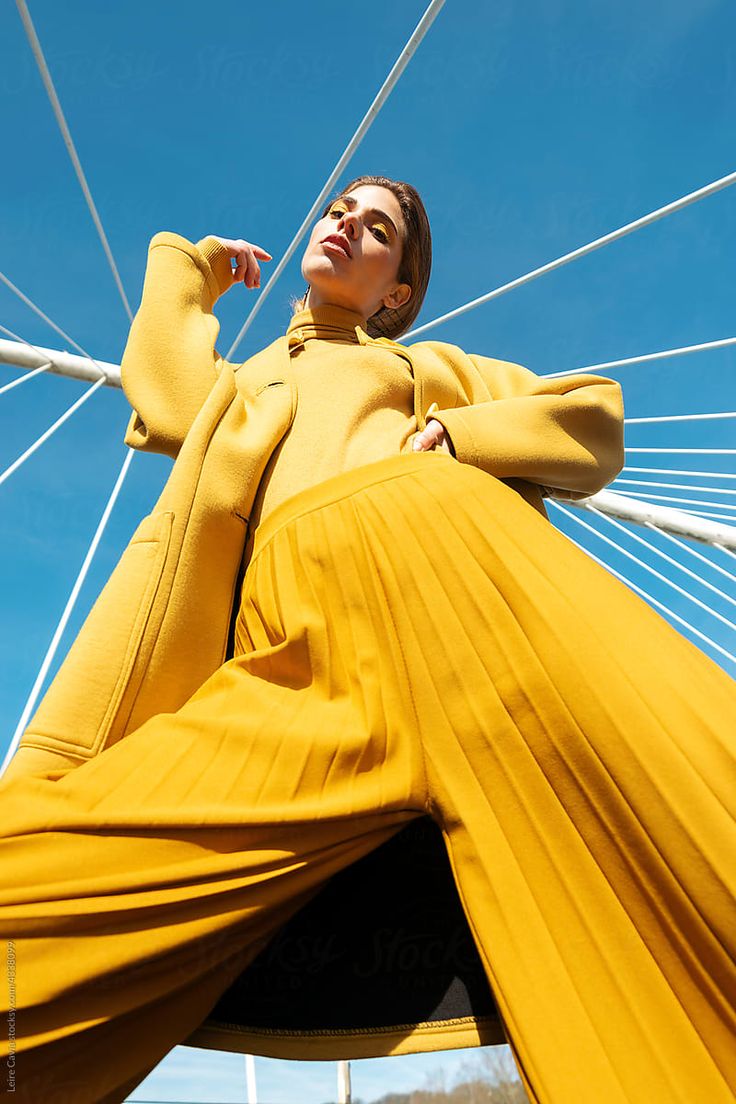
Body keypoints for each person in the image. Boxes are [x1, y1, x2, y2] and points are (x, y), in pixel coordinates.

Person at [1, 173, 735, 1104]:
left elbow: (592, 415)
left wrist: (460, 436)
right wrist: (188, 271)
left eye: (376, 226)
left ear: (396, 294)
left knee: (696, 817)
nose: (347, 224)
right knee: (40, 890)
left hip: (456, 571)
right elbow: (170, 394)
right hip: (294, 643)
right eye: (340, 210)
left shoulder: (419, 369)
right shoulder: (245, 389)